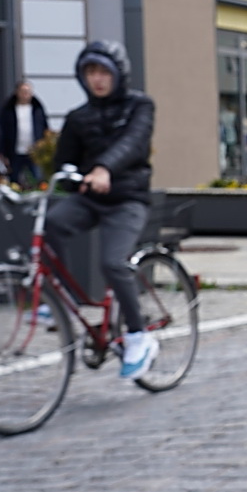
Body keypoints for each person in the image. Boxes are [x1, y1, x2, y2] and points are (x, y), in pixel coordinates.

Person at [45, 41, 159, 380]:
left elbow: (133, 143)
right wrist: (66, 179)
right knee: (52, 223)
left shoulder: (140, 106)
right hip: (91, 197)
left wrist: (105, 168)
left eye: (103, 72)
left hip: (128, 198)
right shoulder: (77, 117)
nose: (96, 79)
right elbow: (62, 163)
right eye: (90, 73)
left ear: (117, 74)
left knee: (112, 262)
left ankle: (139, 336)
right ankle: (62, 300)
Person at [0, 80, 49, 187]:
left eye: (28, 91)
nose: (26, 94)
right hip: (15, 151)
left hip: (34, 152)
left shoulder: (37, 109)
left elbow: (44, 128)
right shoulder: (8, 110)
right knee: (14, 181)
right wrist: (3, 152)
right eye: (23, 91)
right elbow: (2, 132)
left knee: (36, 180)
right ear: (17, 92)